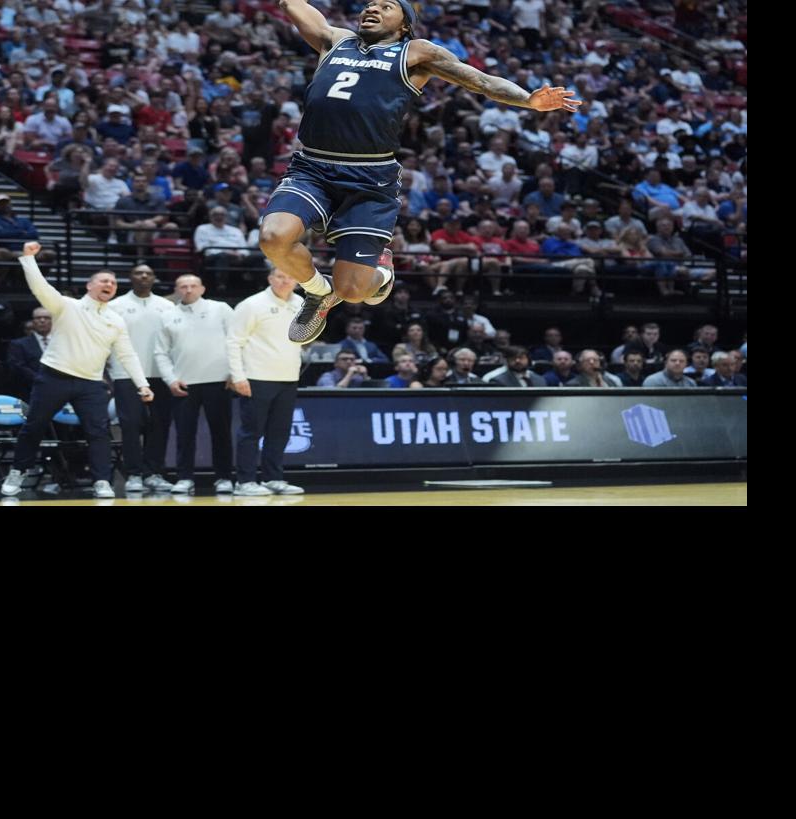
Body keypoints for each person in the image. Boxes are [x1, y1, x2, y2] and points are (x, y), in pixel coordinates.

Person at [262, 0, 581, 344]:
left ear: (404, 24)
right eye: (370, 4)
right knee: (273, 238)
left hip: (369, 177)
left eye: (385, 6)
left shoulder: (414, 52)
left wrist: (527, 100)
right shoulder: (334, 39)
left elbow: (481, 81)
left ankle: (381, 272)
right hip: (313, 166)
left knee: (354, 291)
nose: (373, 9)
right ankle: (317, 292)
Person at [0, 243, 153, 500]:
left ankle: (102, 481)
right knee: (34, 426)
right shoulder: (66, 306)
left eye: (114, 282)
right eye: (104, 280)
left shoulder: (116, 319)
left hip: (91, 384)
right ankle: (17, 471)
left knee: (98, 432)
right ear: (90, 286)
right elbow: (40, 287)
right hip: (53, 377)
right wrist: (28, 259)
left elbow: (127, 354)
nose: (110, 284)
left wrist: (143, 384)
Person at [227, 265, 307, 496]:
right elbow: (233, 341)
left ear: (297, 281)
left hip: (288, 378)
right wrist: (238, 376)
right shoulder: (252, 304)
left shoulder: (301, 304)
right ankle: (245, 482)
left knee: (279, 432)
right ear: (270, 278)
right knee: (251, 432)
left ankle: (273, 478)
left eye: (290, 276)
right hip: (256, 378)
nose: (284, 281)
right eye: (280, 276)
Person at [153, 274, 235, 495]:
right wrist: (170, 379)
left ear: (202, 288)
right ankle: (184, 478)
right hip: (184, 384)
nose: (188, 290)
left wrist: (235, 372)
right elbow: (160, 352)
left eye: (192, 286)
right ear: (176, 290)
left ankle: (224, 477)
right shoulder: (167, 315)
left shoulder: (221, 309)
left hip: (219, 381)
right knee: (184, 434)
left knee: (221, 433)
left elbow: (238, 340)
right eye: (183, 286)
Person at [104, 263, 174, 493]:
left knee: (159, 425)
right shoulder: (115, 306)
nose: (144, 276)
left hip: (160, 374)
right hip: (126, 375)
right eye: (138, 273)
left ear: (154, 278)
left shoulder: (167, 306)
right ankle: (133, 474)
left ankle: (153, 472)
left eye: (148, 273)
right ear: (130, 277)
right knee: (131, 424)